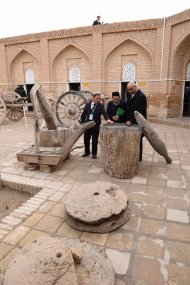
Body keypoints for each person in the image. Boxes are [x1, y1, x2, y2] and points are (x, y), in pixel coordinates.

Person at [80, 93, 113, 159]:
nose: (99, 99)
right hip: (87, 125)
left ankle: (94, 153)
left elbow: (105, 113)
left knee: (95, 140)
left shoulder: (101, 106)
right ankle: (87, 152)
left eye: (99, 98)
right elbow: (83, 115)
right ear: (93, 98)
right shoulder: (88, 105)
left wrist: (108, 119)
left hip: (96, 126)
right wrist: (82, 123)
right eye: (97, 98)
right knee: (86, 139)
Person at [125, 81, 147, 161]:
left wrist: (131, 121)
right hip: (129, 121)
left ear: (135, 87)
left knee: (138, 140)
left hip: (137, 122)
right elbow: (128, 107)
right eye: (128, 90)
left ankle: (138, 157)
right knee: (130, 139)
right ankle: (131, 155)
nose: (129, 91)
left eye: (130, 89)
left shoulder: (141, 96)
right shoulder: (129, 94)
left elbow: (141, 112)